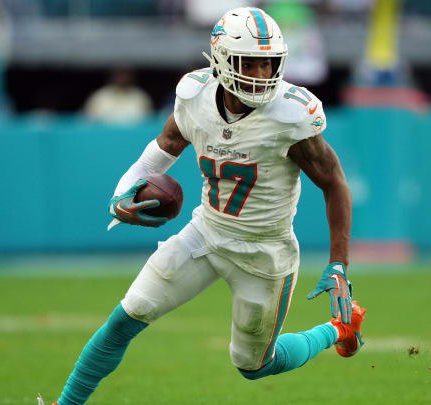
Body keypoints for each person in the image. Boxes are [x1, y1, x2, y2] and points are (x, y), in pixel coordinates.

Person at [38, 7, 366, 405]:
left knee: (254, 365)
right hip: (206, 233)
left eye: (269, 63)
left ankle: (337, 329)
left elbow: (334, 184)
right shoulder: (194, 98)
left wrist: (338, 264)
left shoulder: (290, 116)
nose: (262, 75)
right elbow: (161, 151)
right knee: (127, 316)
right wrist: (120, 197)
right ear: (223, 60)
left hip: (264, 253)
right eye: (251, 63)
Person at [83, 70, 153, 125]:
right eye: (120, 75)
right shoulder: (100, 96)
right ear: (113, 77)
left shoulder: (140, 97)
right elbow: (87, 120)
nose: (123, 79)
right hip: (104, 137)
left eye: (125, 75)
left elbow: (148, 121)